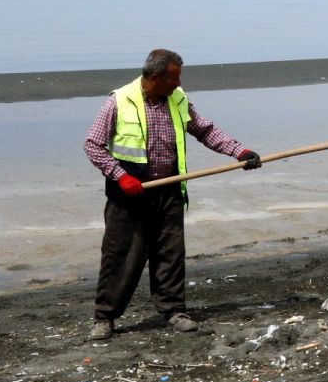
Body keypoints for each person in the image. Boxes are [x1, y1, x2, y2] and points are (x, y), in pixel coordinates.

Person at [83, 49, 262, 341]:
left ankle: (173, 310)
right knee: (120, 257)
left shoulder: (177, 100)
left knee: (170, 254)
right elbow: (92, 145)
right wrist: (120, 176)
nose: (178, 84)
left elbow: (204, 130)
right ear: (155, 78)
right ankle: (105, 317)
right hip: (129, 195)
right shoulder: (119, 101)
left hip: (168, 189)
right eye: (174, 78)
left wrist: (239, 152)